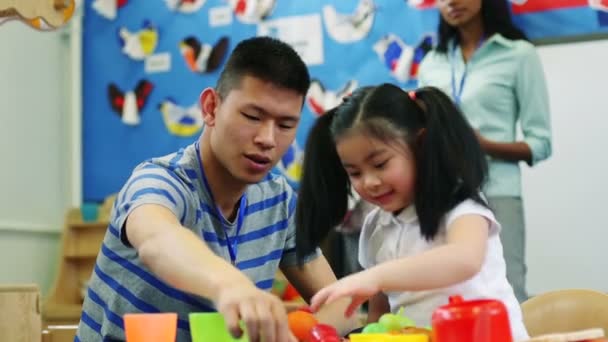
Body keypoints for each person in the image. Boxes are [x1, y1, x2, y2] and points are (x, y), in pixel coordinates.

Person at [76, 37, 355, 342]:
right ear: (210, 108)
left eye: (286, 125)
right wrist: (230, 285)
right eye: (253, 117)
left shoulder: (278, 200)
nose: (268, 139)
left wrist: (301, 335)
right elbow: (158, 239)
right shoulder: (160, 181)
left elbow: (340, 302)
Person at [295, 84, 529, 340]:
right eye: (355, 173)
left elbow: (464, 259)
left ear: (420, 145)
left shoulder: (460, 206)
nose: (369, 181)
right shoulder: (376, 227)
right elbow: (380, 320)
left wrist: (377, 277)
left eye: (380, 164)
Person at [417, 0, 552, 302]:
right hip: (443, 193)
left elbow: (541, 143)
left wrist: (483, 145)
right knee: (447, 294)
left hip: (498, 191)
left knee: (506, 290)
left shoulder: (518, 55)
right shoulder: (431, 63)